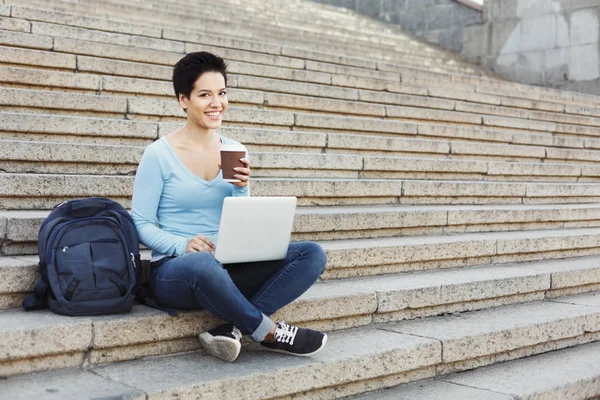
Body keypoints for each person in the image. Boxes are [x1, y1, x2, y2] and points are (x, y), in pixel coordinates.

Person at [131, 51, 328, 363]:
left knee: (312, 253)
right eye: (205, 94)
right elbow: (140, 223)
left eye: (221, 93)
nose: (216, 103)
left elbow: (242, 221)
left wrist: (241, 189)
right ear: (184, 99)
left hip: (226, 266)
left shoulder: (234, 150)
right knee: (203, 264)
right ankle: (268, 332)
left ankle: (234, 327)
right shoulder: (159, 155)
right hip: (176, 271)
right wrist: (183, 245)